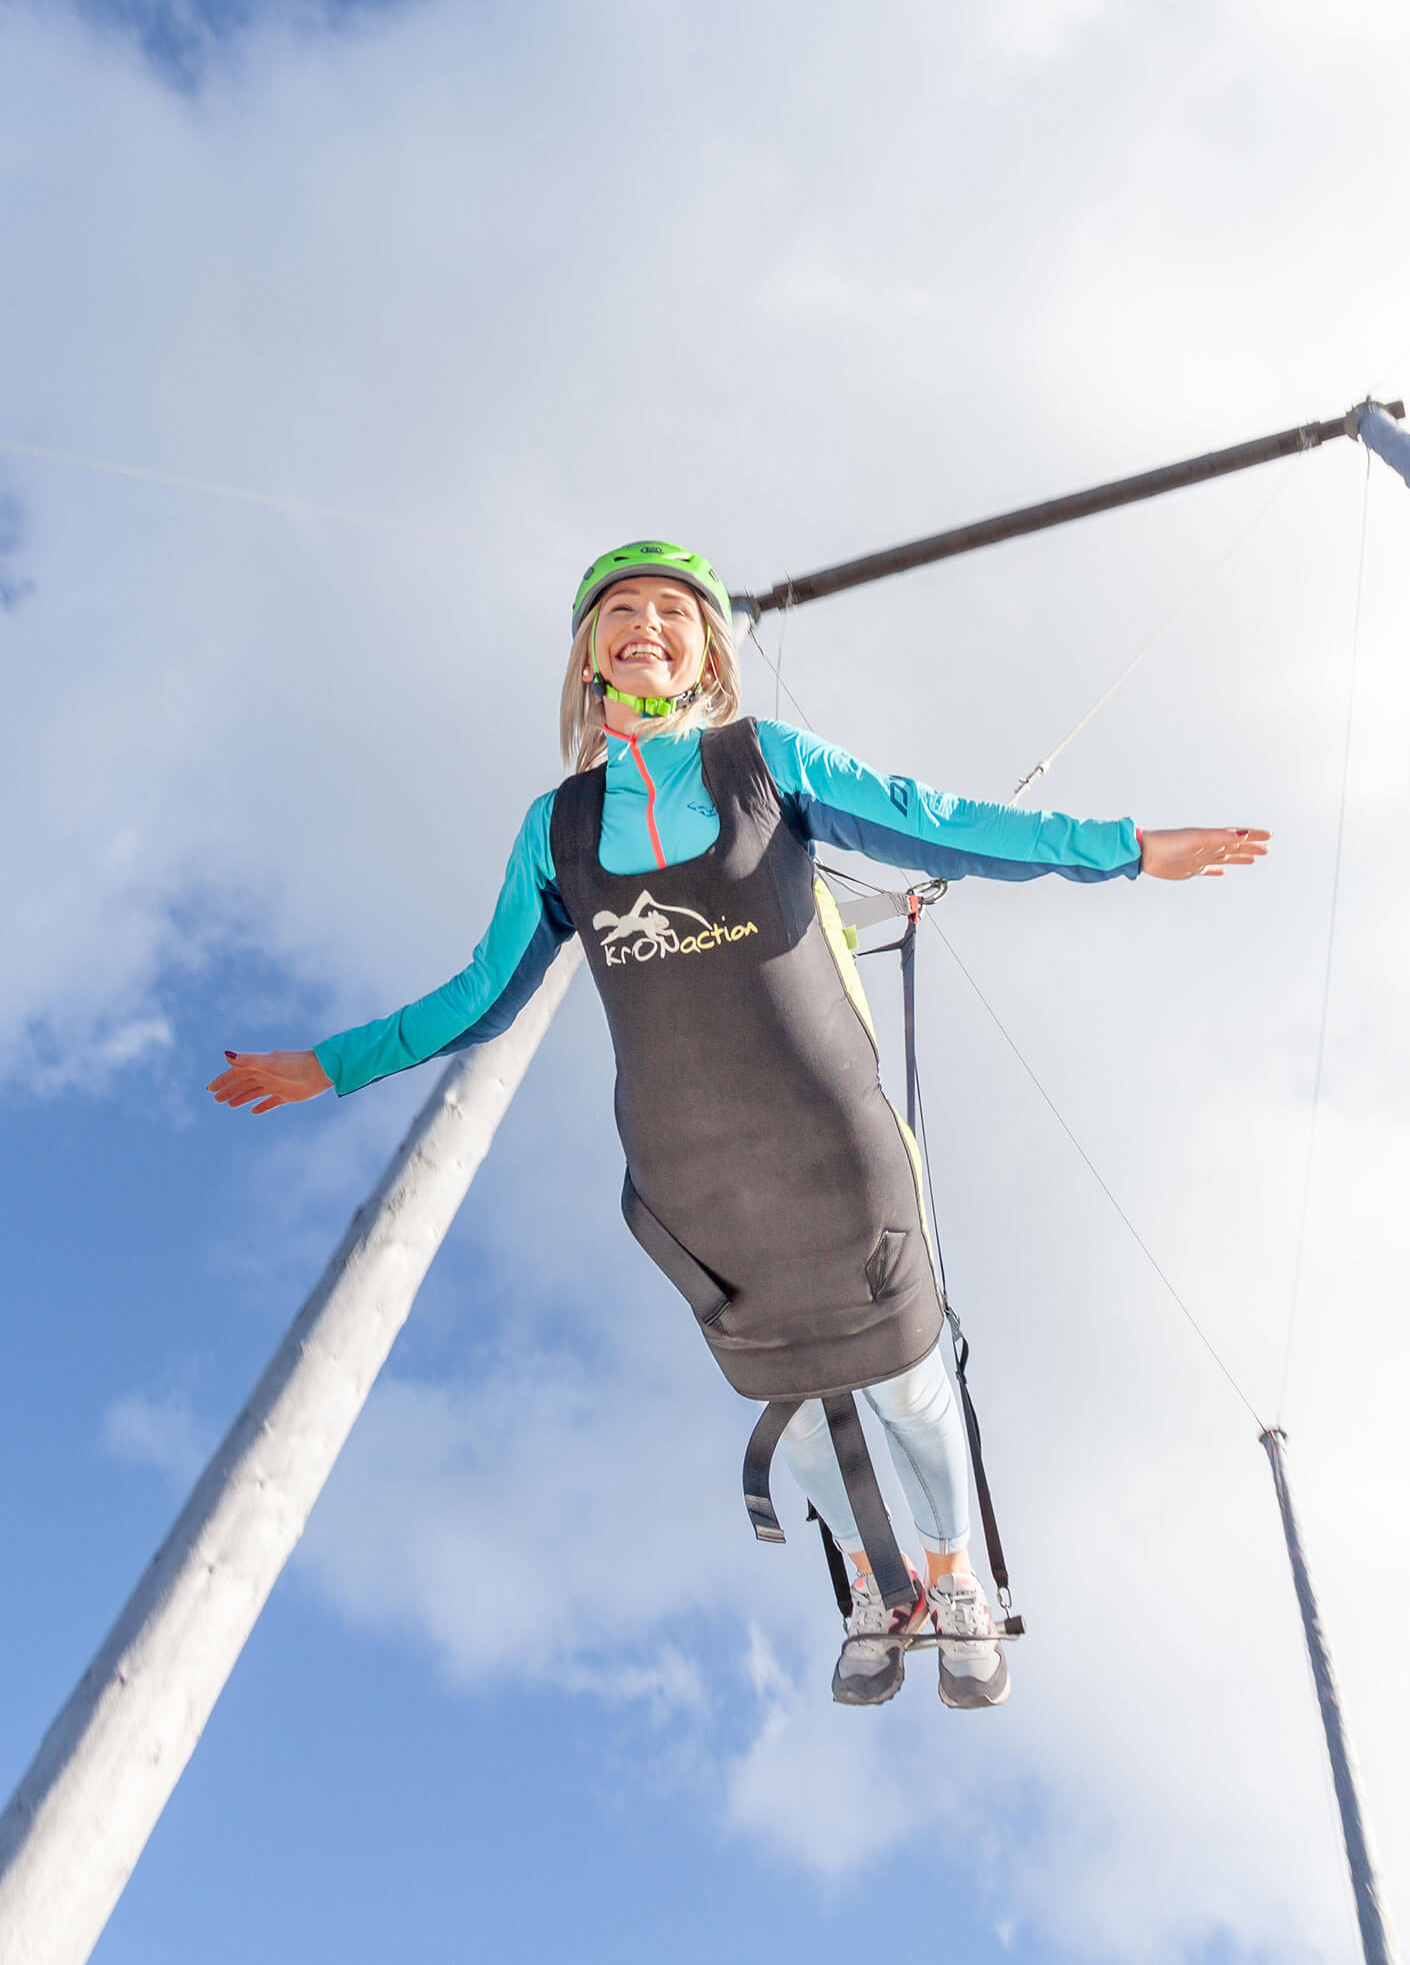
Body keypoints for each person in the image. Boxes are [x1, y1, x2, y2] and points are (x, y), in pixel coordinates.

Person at [209, 540, 1269, 1711]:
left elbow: (942, 822)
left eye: (673, 610)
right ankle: (879, 1586)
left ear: (708, 646)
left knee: (911, 1387)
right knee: (795, 1411)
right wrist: (332, 1065)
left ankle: (957, 1577)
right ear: (587, 653)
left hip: (836, 1153)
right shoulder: (556, 832)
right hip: (693, 1180)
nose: (645, 626)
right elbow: (481, 994)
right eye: (621, 611)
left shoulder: (764, 764)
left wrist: (1121, 850)